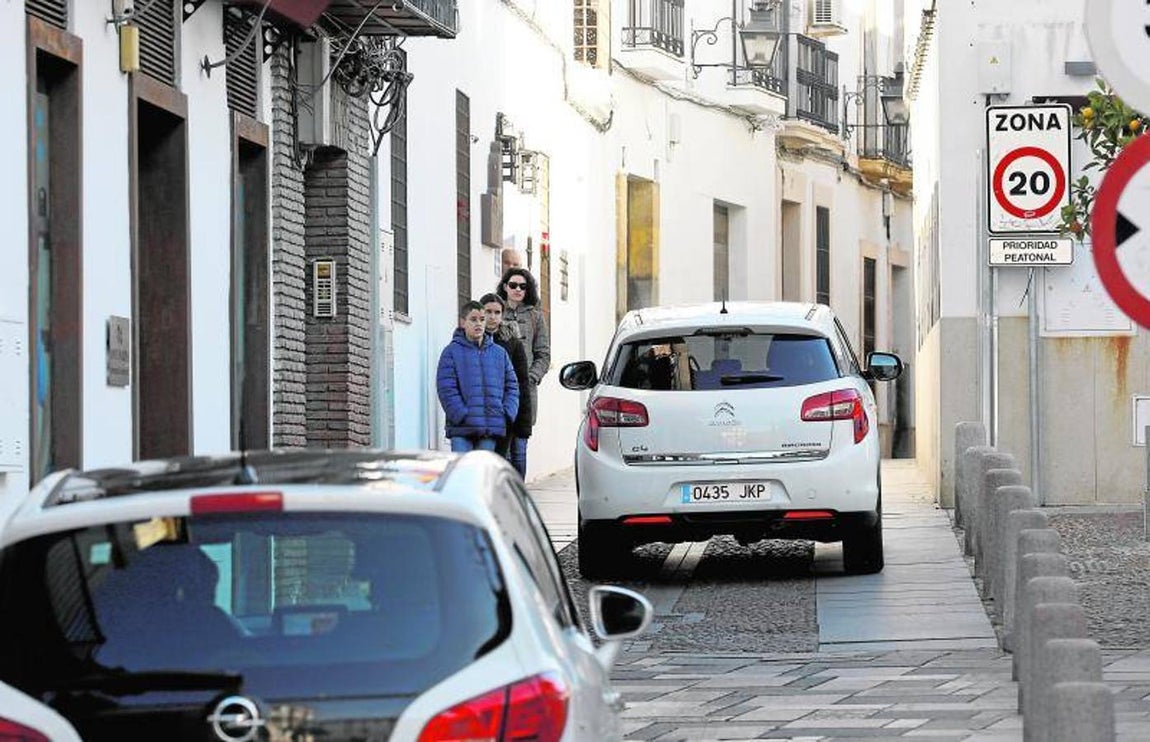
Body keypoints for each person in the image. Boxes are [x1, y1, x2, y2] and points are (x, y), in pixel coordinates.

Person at [436, 301, 519, 453]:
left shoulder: (499, 353)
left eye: (482, 319)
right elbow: (446, 388)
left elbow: (512, 386)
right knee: (462, 473)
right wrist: (461, 414)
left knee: (482, 474)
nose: (478, 324)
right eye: (473, 319)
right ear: (463, 322)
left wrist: (507, 412)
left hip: (489, 428)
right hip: (462, 428)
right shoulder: (451, 352)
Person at [495, 268, 550, 476]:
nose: (518, 289)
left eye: (523, 286)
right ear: (505, 287)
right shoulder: (495, 312)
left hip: (525, 391)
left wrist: (531, 378)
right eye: (513, 285)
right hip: (499, 389)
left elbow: (543, 354)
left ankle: (518, 495)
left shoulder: (536, 316)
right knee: (503, 450)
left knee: (519, 449)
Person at [480, 293, 533, 478]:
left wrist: (522, 421)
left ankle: (517, 499)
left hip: (511, 413)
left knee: (517, 458)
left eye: (497, 312)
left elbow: (522, 382)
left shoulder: (512, 342)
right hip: (485, 415)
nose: (492, 317)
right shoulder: (472, 340)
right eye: (488, 312)